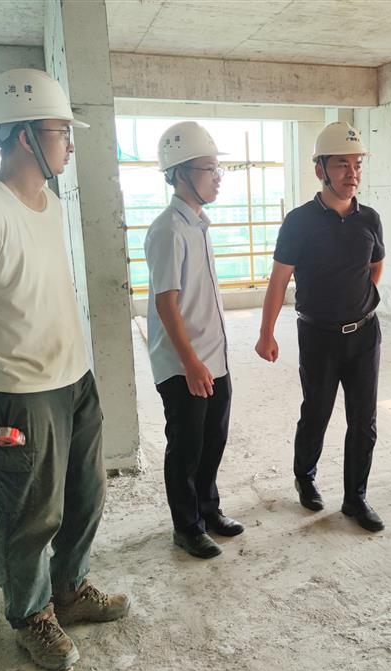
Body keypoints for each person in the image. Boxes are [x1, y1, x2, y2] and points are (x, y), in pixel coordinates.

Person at [0, 68, 129, 671]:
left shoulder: (49, 202)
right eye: (60, 132)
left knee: (84, 496)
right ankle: (30, 614)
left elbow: (18, 295)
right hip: (21, 393)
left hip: (74, 379)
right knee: (28, 514)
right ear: (24, 136)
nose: (69, 143)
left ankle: (68, 590)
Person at [256, 121, 386, 533]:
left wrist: (358, 302)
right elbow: (279, 281)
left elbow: (375, 266)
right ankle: (305, 477)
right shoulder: (299, 222)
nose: (352, 173)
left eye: (357, 165)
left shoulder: (370, 219)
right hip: (318, 336)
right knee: (316, 412)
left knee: (363, 421)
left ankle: (355, 498)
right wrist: (266, 332)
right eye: (342, 164)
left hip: (364, 334)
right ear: (320, 170)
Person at [145, 121, 243, 560]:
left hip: (212, 358)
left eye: (219, 168)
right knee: (186, 447)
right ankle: (186, 527)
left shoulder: (198, 225)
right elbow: (166, 303)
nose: (218, 177)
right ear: (180, 173)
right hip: (185, 364)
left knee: (212, 440)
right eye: (209, 169)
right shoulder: (168, 229)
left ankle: (208, 509)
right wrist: (190, 363)